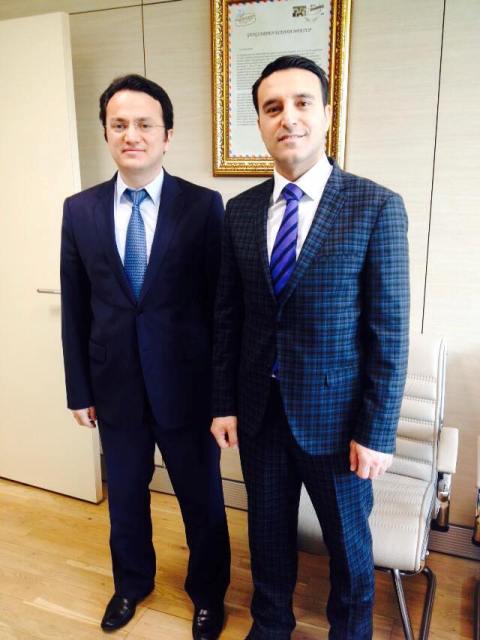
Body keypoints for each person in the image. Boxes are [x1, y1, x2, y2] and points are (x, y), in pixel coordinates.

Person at [210, 55, 409, 640]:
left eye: (302, 103)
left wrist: (377, 431)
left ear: (325, 113)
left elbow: (389, 331)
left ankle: (350, 632)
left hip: (339, 422)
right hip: (259, 414)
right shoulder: (240, 211)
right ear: (259, 122)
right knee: (267, 535)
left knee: (349, 549)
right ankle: (270, 625)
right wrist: (224, 403)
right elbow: (229, 318)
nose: (287, 118)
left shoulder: (374, 206)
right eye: (272, 108)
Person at [61, 74, 230, 639]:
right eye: (119, 125)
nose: (131, 135)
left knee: (202, 502)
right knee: (126, 500)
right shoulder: (80, 210)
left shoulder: (203, 206)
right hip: (115, 387)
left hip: (188, 389)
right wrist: (79, 389)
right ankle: (131, 583)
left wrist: (222, 396)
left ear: (166, 134)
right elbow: (75, 307)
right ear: (106, 133)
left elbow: (221, 308)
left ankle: (208, 595)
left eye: (143, 124)